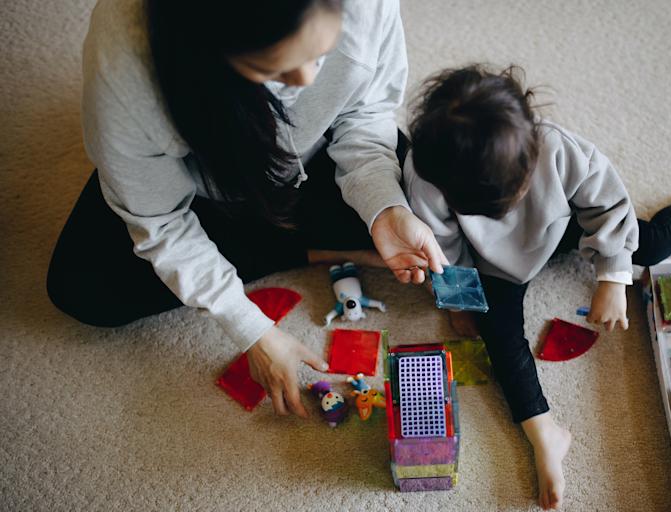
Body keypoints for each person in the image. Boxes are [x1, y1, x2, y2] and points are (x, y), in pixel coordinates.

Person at [46, 0, 446, 419]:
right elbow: (159, 220)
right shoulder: (127, 72)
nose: (309, 80)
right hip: (205, 188)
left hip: (313, 161)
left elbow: (366, 113)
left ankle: (295, 245)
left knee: (434, 198)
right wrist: (252, 330)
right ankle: (312, 249)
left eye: (320, 54)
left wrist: (384, 208)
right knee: (82, 288)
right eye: (275, 72)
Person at [402, 65, 671, 510]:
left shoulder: (558, 147)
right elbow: (444, 249)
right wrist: (459, 301)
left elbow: (610, 206)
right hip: (493, 264)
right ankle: (544, 433)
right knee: (500, 340)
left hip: (563, 224)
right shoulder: (427, 176)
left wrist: (613, 275)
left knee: (651, 245)